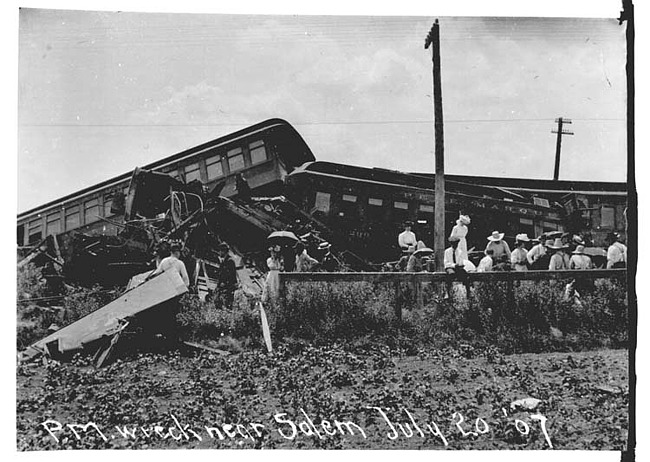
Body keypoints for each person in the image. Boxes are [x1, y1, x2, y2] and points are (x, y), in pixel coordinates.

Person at [215, 242, 238, 310]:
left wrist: (224, 283)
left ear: (224, 251)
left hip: (228, 287)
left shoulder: (230, 261)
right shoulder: (224, 261)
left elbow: (231, 276)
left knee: (227, 305)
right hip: (223, 287)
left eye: (220, 251)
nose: (219, 253)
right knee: (219, 304)